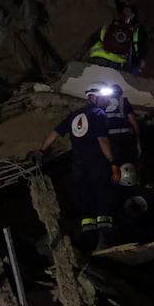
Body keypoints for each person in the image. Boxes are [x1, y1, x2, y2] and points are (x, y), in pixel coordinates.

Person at [37, 86, 118, 249]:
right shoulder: (99, 114)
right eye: (105, 98)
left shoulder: (74, 115)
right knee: (103, 200)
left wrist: (41, 151)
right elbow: (102, 140)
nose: (108, 102)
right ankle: (104, 241)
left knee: (85, 203)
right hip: (97, 165)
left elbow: (54, 134)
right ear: (93, 98)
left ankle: (89, 242)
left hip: (78, 168)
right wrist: (113, 162)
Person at [88, 4, 148, 74]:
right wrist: (141, 60)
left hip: (100, 57)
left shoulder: (111, 23)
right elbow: (142, 46)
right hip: (117, 62)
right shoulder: (136, 29)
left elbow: (93, 38)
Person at [100, 82, 142, 166]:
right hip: (125, 139)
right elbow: (133, 121)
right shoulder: (123, 102)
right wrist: (138, 139)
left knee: (114, 164)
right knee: (127, 164)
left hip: (111, 140)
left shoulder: (102, 103)